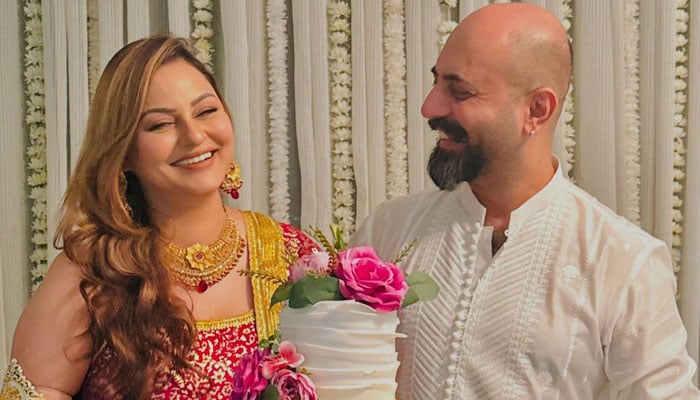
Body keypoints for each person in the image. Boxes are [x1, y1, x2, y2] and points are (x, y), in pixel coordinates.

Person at [350, 3, 700, 399]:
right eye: (436, 82)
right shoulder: (388, 230)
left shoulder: (622, 261)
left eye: (459, 91)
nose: (429, 108)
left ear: (536, 110)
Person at [0, 34, 316, 399]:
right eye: (161, 124)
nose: (195, 135)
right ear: (125, 153)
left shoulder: (292, 255)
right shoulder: (91, 274)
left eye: (206, 111)